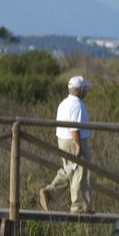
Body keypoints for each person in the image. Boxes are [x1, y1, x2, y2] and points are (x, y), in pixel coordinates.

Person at [39, 75, 93, 214]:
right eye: (85, 88)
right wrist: (78, 145)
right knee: (80, 171)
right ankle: (79, 206)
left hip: (62, 140)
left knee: (69, 169)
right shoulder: (77, 105)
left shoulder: (64, 103)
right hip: (73, 140)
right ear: (80, 90)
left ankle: (50, 192)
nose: (86, 91)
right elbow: (74, 127)